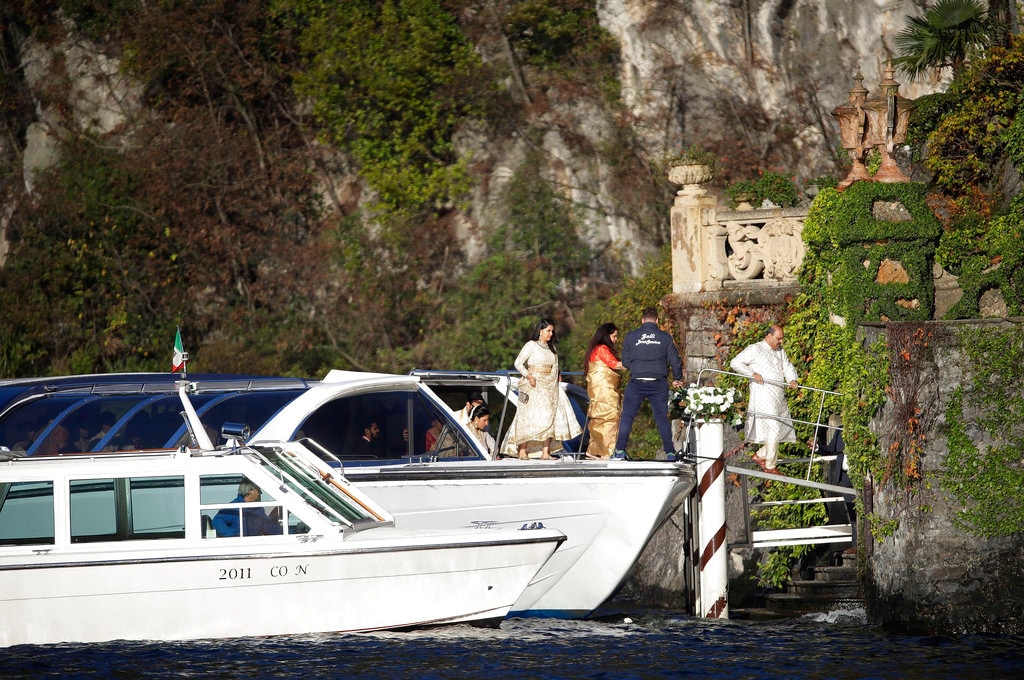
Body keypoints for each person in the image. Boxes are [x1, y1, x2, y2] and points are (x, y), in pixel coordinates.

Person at [502, 318, 582, 460]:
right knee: (528, 417)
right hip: (533, 384)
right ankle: (522, 450)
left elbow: (556, 366)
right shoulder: (531, 345)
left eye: (552, 331)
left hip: (549, 386)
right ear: (540, 331)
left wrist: (557, 379)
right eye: (548, 331)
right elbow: (518, 363)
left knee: (550, 417)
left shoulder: (552, 348)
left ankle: (546, 452)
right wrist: (529, 376)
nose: (551, 334)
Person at [614, 308, 684, 460]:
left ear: (642, 320)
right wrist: (677, 378)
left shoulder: (631, 336)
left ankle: (619, 450)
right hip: (658, 383)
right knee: (661, 418)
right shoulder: (665, 337)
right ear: (657, 320)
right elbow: (675, 361)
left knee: (627, 416)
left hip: (637, 381)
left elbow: (625, 362)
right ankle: (670, 452)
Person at [731, 324, 799, 475]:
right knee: (773, 427)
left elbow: (787, 366)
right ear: (769, 335)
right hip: (763, 394)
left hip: (778, 395)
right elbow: (735, 362)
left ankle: (761, 455)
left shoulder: (780, 351)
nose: (781, 342)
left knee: (778, 427)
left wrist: (792, 379)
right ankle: (770, 466)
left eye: (782, 339)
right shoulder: (755, 348)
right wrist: (751, 373)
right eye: (778, 338)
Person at [584, 322, 623, 459]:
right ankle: (607, 451)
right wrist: (635, 362)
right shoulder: (602, 349)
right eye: (614, 336)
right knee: (610, 416)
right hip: (605, 391)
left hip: (600, 391)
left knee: (599, 419)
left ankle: (595, 450)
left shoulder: (596, 349)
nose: (616, 339)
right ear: (606, 336)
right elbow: (616, 364)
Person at [212, 480, 283, 537]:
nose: (261, 493)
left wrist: (288, 532)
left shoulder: (258, 509)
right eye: (259, 490)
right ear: (250, 492)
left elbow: (269, 526)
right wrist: (235, 535)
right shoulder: (233, 508)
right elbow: (217, 521)